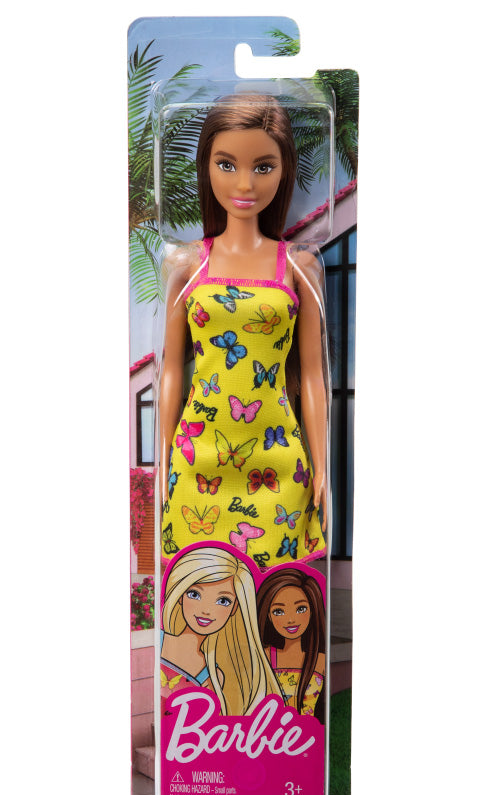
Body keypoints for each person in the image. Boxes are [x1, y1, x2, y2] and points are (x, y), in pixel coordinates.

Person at [159, 94, 329, 573]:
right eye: (227, 164)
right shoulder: (186, 265)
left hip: (277, 457)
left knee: (278, 588)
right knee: (200, 587)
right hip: (198, 457)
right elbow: (170, 370)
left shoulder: (298, 265)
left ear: (284, 170)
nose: (244, 184)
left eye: (263, 167)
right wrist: (164, 457)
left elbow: (312, 376)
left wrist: (321, 466)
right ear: (206, 166)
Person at [160, 544, 281, 795]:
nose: (206, 609)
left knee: (231, 784)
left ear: (236, 608)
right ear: (179, 593)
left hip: (216, 759)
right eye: (195, 593)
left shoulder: (226, 670)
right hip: (183, 764)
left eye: (223, 600)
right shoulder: (162, 646)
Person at [257, 567, 327, 723]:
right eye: (278, 611)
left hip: (308, 733)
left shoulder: (320, 661)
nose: (290, 620)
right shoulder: (263, 657)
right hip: (269, 732)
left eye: (301, 609)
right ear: (268, 616)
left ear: (312, 609)